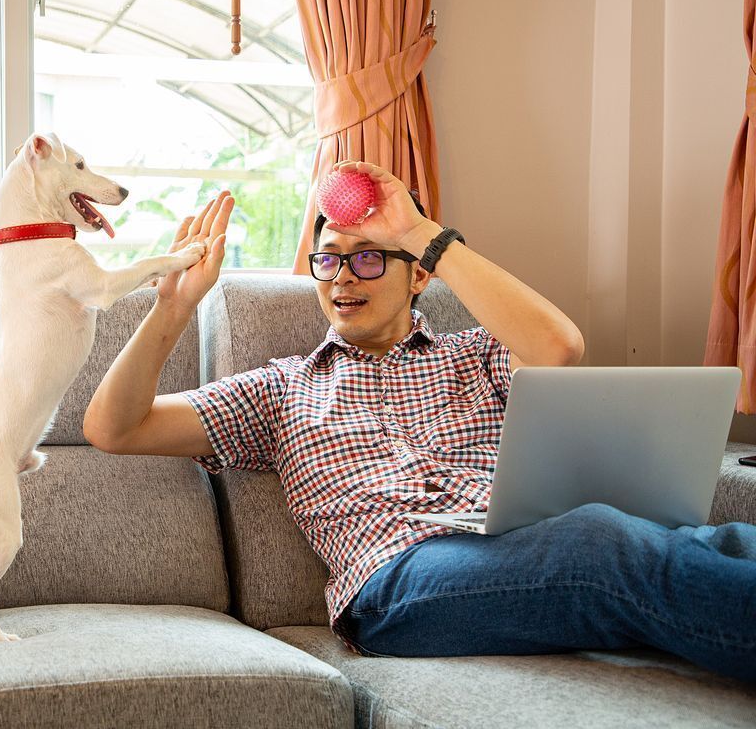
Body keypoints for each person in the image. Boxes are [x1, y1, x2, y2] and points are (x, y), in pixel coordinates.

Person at [83, 161, 756, 684]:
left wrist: (418, 234)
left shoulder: (477, 356)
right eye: (329, 259)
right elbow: (115, 428)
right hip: (397, 585)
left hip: (518, 547)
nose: (343, 277)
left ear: (419, 276)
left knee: (727, 540)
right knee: (601, 540)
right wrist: (172, 308)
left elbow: (559, 347)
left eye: (369, 257)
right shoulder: (283, 388)